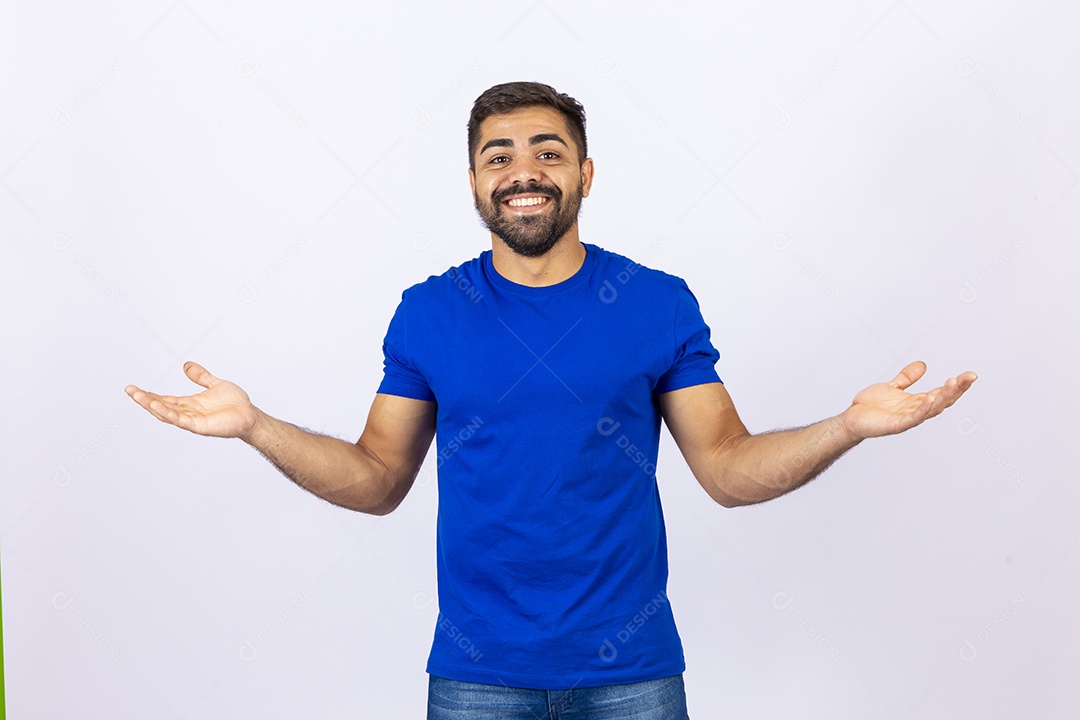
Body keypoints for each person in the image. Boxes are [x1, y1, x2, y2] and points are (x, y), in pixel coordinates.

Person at [125, 81, 977, 719]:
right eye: (498, 155)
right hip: (476, 676)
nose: (522, 171)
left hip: (633, 673)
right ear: (471, 181)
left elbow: (726, 467)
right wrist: (256, 427)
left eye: (547, 150)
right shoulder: (429, 312)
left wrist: (848, 426)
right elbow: (378, 478)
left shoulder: (656, 302)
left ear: (585, 172)